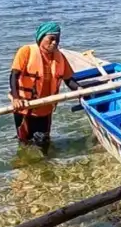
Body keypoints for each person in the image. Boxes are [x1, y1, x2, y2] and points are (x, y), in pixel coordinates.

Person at [8, 21, 81, 151]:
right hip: (25, 108)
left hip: (45, 109)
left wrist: (80, 91)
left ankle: (45, 161)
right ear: (41, 38)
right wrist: (16, 98)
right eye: (51, 39)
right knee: (25, 143)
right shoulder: (26, 51)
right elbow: (14, 75)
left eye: (57, 39)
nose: (54, 42)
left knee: (44, 142)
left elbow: (68, 80)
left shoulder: (60, 57)